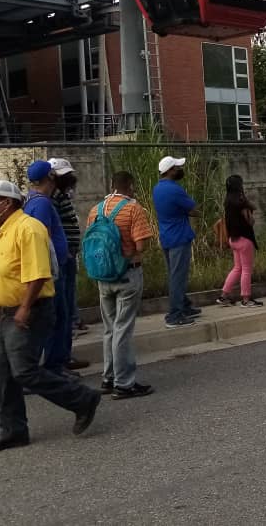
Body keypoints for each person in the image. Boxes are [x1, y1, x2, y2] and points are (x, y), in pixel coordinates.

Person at [0, 179, 100, 453]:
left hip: (31, 311)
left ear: (6, 203)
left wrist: (24, 307)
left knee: (24, 371)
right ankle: (13, 430)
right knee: (3, 375)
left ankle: (82, 399)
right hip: (10, 313)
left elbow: (38, 274)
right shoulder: (6, 229)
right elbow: (11, 273)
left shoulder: (28, 228)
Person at [85, 172, 154, 399]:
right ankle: (124, 384)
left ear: (112, 185)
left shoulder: (96, 209)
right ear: (130, 185)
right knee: (123, 330)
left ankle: (108, 377)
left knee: (109, 328)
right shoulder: (133, 209)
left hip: (103, 277)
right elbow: (141, 245)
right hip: (127, 275)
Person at [24, 160, 71, 375]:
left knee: (56, 316)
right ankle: (53, 366)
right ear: (50, 177)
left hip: (50, 269)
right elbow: (44, 237)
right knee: (57, 317)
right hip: (52, 271)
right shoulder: (42, 203)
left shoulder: (33, 200)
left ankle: (54, 364)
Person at [48, 157, 88, 370]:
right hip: (63, 259)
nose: (69, 178)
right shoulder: (52, 198)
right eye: (64, 175)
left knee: (68, 302)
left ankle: (65, 354)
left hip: (69, 255)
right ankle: (60, 358)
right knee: (62, 308)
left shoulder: (62, 195)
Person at [153, 156, 202, 328]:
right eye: (177, 167)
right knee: (178, 277)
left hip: (167, 236)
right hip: (179, 237)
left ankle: (185, 306)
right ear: (170, 171)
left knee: (174, 274)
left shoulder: (158, 188)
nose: (179, 170)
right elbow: (193, 208)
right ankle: (175, 315)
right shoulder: (174, 189)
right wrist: (190, 212)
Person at [217, 175, 262, 307]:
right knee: (246, 270)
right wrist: (247, 204)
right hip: (245, 239)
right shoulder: (241, 201)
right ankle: (246, 299)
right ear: (239, 185)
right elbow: (250, 219)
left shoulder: (228, 200)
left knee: (237, 268)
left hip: (233, 239)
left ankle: (223, 295)